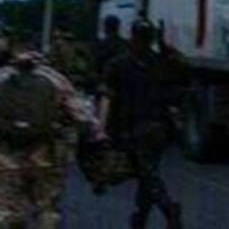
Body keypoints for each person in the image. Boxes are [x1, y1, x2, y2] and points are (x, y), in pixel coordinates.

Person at [0, 42, 100, 228]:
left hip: (7, 155)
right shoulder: (55, 79)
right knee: (47, 207)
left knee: (8, 207)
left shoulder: (3, 76)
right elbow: (83, 116)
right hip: (45, 153)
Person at [97, 18, 183, 229]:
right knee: (147, 172)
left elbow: (107, 98)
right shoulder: (161, 63)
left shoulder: (118, 64)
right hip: (159, 128)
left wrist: (100, 128)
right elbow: (180, 78)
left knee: (147, 173)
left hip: (133, 129)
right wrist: (165, 47)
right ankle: (140, 218)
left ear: (132, 37)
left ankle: (168, 207)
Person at [47, 23, 96, 92]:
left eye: (58, 38)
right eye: (54, 39)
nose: (56, 42)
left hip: (75, 86)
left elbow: (86, 72)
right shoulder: (55, 52)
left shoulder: (77, 51)